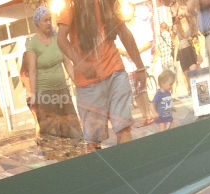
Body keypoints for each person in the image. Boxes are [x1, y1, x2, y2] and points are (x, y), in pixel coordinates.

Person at [56, 0, 147, 150]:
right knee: (93, 142)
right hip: (88, 82)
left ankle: (128, 170)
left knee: (123, 128)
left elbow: (123, 32)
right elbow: (61, 39)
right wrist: (80, 63)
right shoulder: (70, 4)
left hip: (115, 72)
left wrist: (140, 67)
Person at [21, 5, 83, 153]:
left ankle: (78, 157)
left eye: (50, 20)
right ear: (37, 23)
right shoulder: (33, 44)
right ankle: (58, 161)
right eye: (45, 20)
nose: (49, 23)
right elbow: (32, 71)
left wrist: (78, 83)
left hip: (62, 90)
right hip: (45, 94)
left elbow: (67, 63)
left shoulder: (57, 39)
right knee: (52, 130)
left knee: (72, 127)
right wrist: (34, 96)